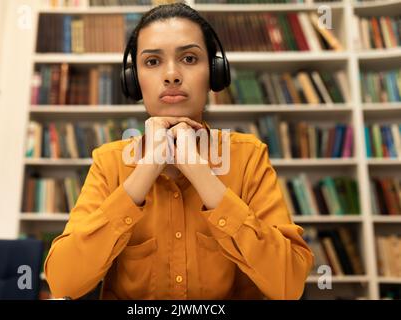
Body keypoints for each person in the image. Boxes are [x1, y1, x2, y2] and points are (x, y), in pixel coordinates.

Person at [44, 2, 313, 300]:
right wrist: (144, 172)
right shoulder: (109, 163)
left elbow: (289, 285)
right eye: (152, 62)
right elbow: (63, 282)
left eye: (188, 58)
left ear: (214, 73)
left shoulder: (248, 158)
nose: (171, 75)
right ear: (134, 82)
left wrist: (200, 173)